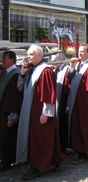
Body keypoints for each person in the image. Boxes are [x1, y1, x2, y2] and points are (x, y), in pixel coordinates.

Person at [17, 44, 64, 180]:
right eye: (28, 54)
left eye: (31, 54)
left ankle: (38, 166)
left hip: (41, 112)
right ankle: (54, 160)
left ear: (39, 54)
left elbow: (49, 93)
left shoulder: (46, 70)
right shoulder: (32, 69)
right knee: (41, 138)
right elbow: (20, 88)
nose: (28, 56)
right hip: (32, 110)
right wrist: (23, 74)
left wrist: (46, 113)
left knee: (41, 139)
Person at [0, 51, 22, 172]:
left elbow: (14, 97)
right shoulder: (6, 73)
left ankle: (7, 162)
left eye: (4, 58)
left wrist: (12, 117)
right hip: (3, 111)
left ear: (12, 61)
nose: (2, 60)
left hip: (8, 113)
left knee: (7, 137)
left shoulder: (15, 75)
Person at [55, 62, 70, 154]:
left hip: (63, 101)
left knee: (63, 123)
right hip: (59, 100)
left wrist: (68, 103)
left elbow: (68, 87)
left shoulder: (66, 70)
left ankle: (64, 145)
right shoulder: (57, 70)